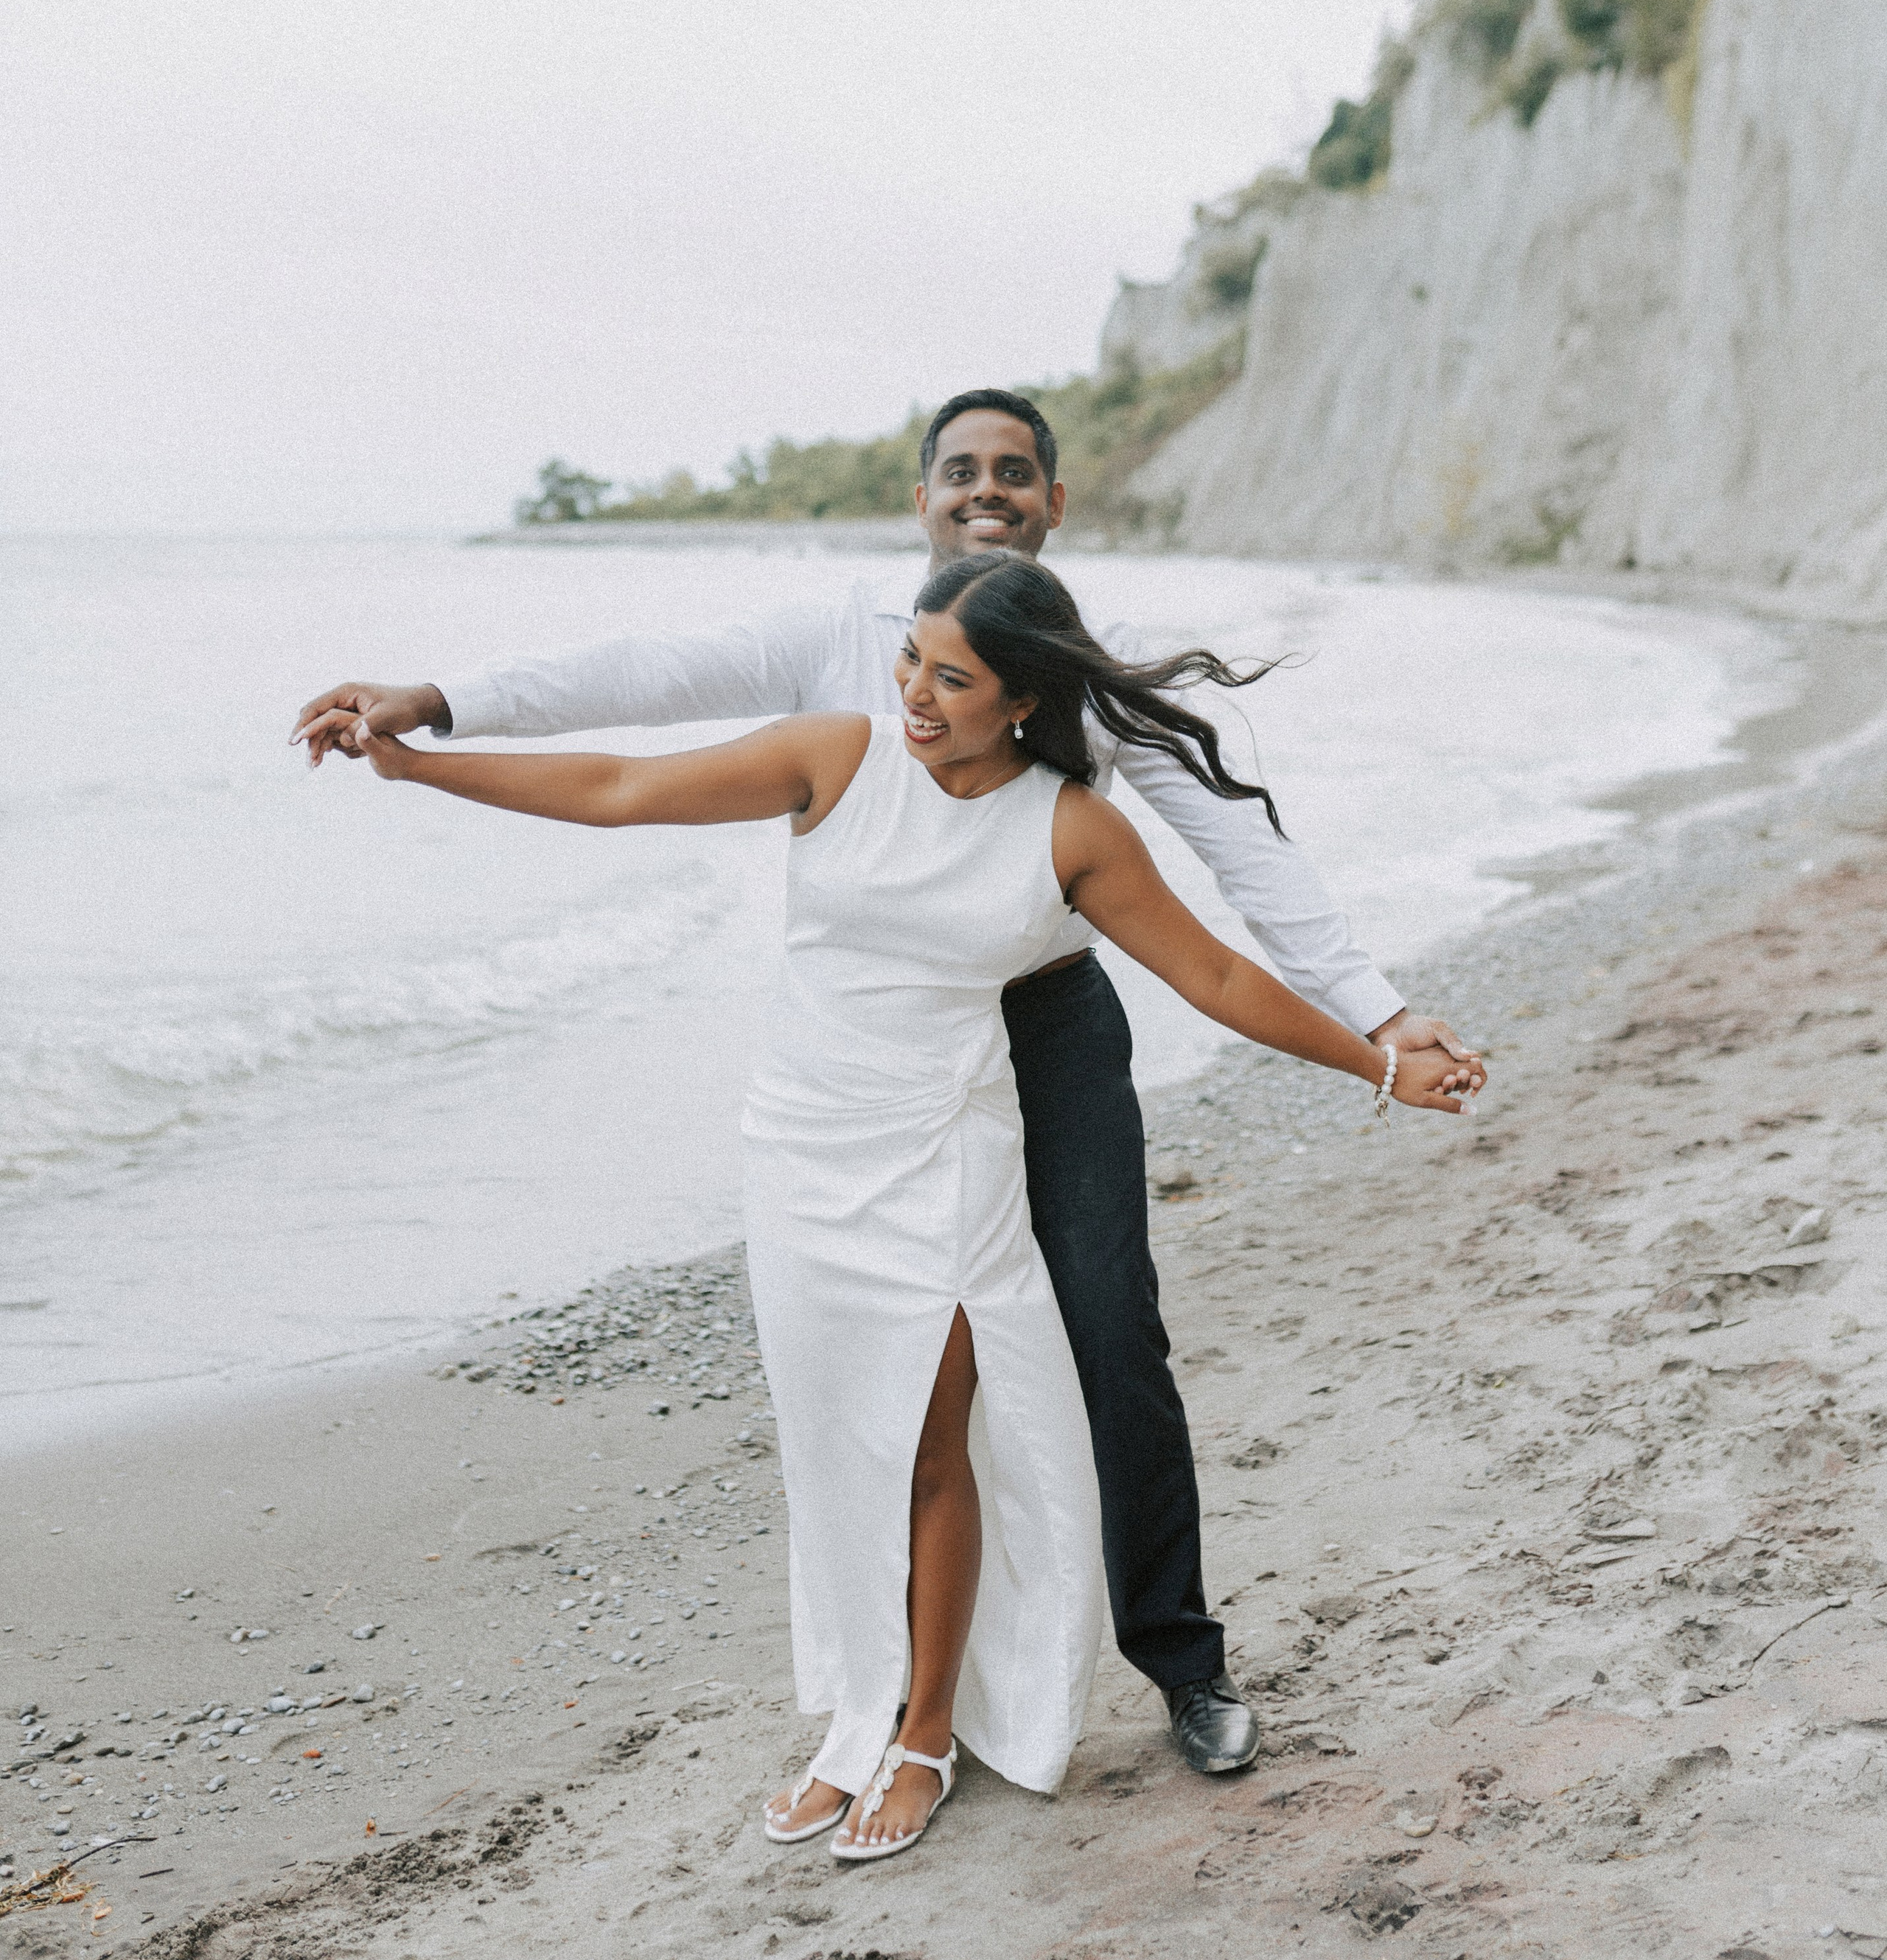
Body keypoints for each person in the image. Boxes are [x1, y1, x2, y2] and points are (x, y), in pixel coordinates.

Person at [293, 388, 1484, 1778]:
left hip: (1048, 1033)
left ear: (1053, 502)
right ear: (920, 497)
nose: (988, 489)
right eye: (962, 470)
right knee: (911, 1383)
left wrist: (1382, 1025)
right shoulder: (843, 648)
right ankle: (924, 1701)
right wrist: (440, 708)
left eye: (1016, 472)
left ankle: (1181, 1661)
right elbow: (645, 694)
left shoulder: (1068, 676)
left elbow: (1241, 878)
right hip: (879, 1061)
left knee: (1113, 1341)